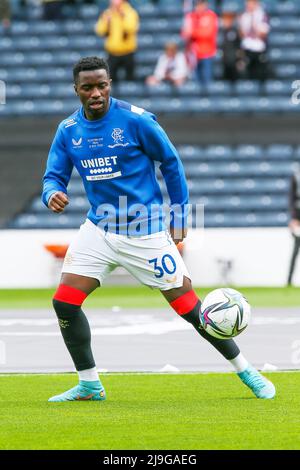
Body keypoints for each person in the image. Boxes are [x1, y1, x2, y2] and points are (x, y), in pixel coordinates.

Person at [42, 56, 275, 402]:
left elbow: (171, 163)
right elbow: (53, 177)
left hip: (145, 232)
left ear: (110, 85)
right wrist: (52, 194)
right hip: (99, 229)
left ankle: (247, 371)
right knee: (65, 302)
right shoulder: (68, 131)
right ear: (76, 89)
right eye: (88, 87)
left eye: (102, 85)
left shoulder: (136, 121)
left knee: (190, 308)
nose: (96, 93)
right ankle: (90, 384)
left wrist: (180, 215)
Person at [95, 0, 139, 83]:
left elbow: (131, 28)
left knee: (130, 80)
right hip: (112, 53)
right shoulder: (107, 13)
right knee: (111, 81)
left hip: (128, 52)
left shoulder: (130, 12)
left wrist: (123, 17)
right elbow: (99, 30)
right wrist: (107, 22)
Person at [181, 0, 218, 86]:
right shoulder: (191, 16)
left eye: (201, 4)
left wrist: (193, 32)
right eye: (197, 4)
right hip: (193, 55)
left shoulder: (211, 16)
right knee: (195, 84)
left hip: (207, 54)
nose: (199, 7)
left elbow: (208, 33)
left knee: (207, 82)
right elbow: (184, 33)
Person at [238, 0, 270, 80]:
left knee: (259, 73)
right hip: (247, 47)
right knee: (246, 74)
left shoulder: (262, 15)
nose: (249, 5)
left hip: (258, 48)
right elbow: (242, 34)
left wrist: (254, 24)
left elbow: (263, 34)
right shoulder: (244, 15)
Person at [221, 11, 244, 82]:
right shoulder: (223, 32)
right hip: (226, 61)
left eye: (227, 20)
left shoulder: (235, 32)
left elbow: (240, 47)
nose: (225, 22)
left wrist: (240, 60)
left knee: (235, 81)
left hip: (234, 61)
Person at [287, 166, 300, 285]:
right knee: (295, 250)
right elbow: (291, 199)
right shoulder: (296, 176)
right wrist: (293, 218)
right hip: (298, 220)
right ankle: (289, 281)